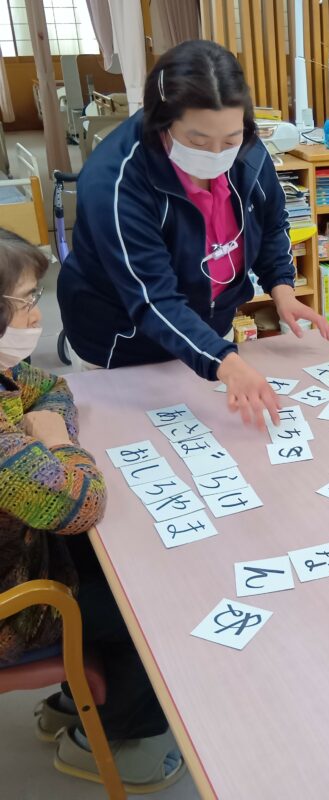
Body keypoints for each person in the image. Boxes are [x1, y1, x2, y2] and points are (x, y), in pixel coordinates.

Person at [57, 39, 329, 429]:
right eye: (198, 141)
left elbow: (271, 222)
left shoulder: (248, 150)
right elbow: (153, 300)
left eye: (230, 140)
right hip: (123, 342)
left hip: (205, 333)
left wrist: (282, 288)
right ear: (161, 122)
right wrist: (224, 362)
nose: (217, 153)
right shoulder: (114, 182)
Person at [0, 228, 183, 792]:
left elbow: (49, 388)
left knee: (111, 563)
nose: (37, 318)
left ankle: (69, 705)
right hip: (15, 607)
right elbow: (78, 501)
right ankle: (122, 740)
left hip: (24, 557)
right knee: (146, 603)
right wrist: (57, 443)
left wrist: (50, 424)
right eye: (27, 302)